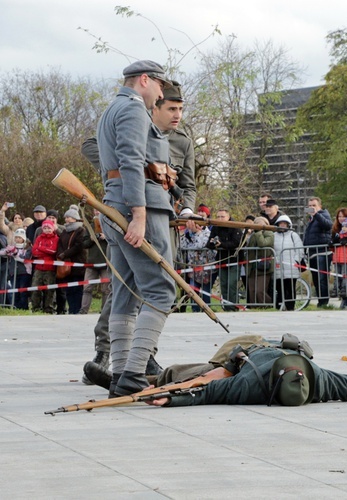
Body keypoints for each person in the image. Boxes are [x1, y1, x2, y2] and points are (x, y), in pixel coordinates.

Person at [96, 59, 176, 396]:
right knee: (161, 291)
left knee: (126, 294)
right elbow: (130, 162)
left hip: (116, 206)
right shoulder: (132, 109)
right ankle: (133, 373)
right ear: (145, 80)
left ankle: (120, 374)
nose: (160, 94)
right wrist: (140, 215)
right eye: (159, 86)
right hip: (138, 208)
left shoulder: (111, 109)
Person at [84, 335, 347, 407]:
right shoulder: (318, 377)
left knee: (190, 378)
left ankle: (132, 380)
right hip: (248, 344)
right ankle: (147, 376)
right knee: (206, 371)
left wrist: (170, 402)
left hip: (243, 367)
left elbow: (208, 394)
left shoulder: (252, 389)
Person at [150, 81, 197, 216]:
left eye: (180, 109)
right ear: (155, 108)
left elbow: (188, 186)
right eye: (171, 109)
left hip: (168, 216)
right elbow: (91, 145)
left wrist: (187, 211)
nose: (178, 115)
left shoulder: (183, 142)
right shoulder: (137, 132)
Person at [206, 209, 243, 311]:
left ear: (228, 217)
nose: (220, 219)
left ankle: (233, 306)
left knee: (232, 284)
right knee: (224, 284)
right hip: (221, 260)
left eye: (222, 217)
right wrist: (214, 243)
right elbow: (209, 243)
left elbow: (236, 243)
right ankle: (227, 307)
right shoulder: (215, 228)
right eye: (218, 217)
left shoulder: (235, 227)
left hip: (234, 260)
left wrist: (222, 244)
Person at [303, 197, 333, 308]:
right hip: (312, 253)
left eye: (314, 205)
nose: (311, 208)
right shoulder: (311, 220)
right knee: (316, 279)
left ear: (319, 206)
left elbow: (328, 225)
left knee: (322, 278)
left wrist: (316, 214)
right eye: (309, 206)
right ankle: (321, 301)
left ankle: (324, 302)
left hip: (322, 252)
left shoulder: (323, 214)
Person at [56, 208, 87, 315]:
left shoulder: (81, 230)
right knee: (69, 289)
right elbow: (60, 243)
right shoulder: (65, 231)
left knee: (77, 289)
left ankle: (76, 309)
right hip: (66, 266)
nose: (66, 219)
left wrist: (65, 254)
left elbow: (79, 246)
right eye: (65, 217)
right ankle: (71, 309)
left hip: (78, 265)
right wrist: (60, 254)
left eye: (68, 217)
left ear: (74, 218)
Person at [80, 210, 110, 315]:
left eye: (99, 209)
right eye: (95, 210)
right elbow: (83, 244)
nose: (97, 212)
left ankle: (105, 311)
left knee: (106, 289)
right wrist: (91, 240)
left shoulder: (110, 224)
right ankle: (84, 310)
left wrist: (106, 238)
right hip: (91, 262)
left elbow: (118, 241)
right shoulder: (90, 226)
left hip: (106, 262)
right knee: (87, 288)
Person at [273, 214, 305, 311]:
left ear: (288, 225)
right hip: (278, 267)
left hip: (291, 267)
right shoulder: (274, 236)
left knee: (290, 288)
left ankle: (290, 307)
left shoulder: (293, 235)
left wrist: (296, 260)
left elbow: (299, 249)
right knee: (279, 288)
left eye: (284, 224)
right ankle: (280, 306)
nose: (282, 226)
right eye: (280, 224)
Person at [244, 216, 275, 306]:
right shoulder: (253, 234)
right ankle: (254, 307)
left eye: (260, 224)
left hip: (264, 266)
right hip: (252, 266)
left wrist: (258, 232)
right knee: (252, 290)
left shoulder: (269, 233)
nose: (258, 225)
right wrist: (247, 235)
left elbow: (262, 244)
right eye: (256, 224)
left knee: (260, 291)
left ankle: (266, 305)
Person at [30, 219, 59, 314]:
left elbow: (53, 251)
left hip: (50, 268)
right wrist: (44, 251)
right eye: (45, 228)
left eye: (49, 228)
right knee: (35, 288)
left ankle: (49, 309)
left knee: (50, 290)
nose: (47, 230)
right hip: (39, 268)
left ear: (52, 229)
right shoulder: (39, 238)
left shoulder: (56, 239)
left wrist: (41, 249)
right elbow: (34, 252)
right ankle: (36, 308)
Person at [0, 228, 32, 309]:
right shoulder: (13, 247)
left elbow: (26, 258)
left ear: (23, 239)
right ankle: (16, 307)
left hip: (24, 272)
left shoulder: (27, 248)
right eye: (16, 237)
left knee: (22, 291)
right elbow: (2, 252)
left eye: (20, 238)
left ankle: (24, 307)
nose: (18, 239)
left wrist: (16, 253)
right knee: (15, 291)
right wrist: (7, 251)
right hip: (13, 272)